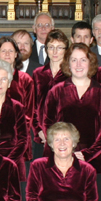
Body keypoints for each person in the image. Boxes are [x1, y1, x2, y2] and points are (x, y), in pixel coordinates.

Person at [43, 43, 101, 175]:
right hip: (61, 158)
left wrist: (88, 154)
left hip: (95, 159)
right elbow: (48, 124)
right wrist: (65, 151)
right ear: (68, 64)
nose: (78, 65)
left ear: (90, 62)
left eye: (83, 60)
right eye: (74, 60)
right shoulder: (56, 91)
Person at [0, 37, 36, 139]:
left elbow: (29, 113)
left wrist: (19, 135)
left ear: (16, 54)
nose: (7, 54)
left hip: (19, 136)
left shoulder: (26, 80)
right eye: (3, 51)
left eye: (11, 51)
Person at [32, 30, 70, 158]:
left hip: (65, 135)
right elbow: (33, 106)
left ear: (65, 50)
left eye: (59, 48)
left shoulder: (71, 75)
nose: (55, 51)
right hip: (41, 134)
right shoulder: (38, 73)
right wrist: (39, 131)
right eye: (51, 47)